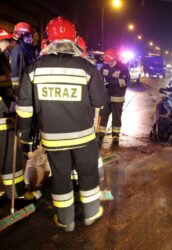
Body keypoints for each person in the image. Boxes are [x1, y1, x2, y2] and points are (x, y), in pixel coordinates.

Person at [16, 16, 106, 232]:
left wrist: (26, 137)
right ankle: (91, 214)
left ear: (49, 40)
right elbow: (100, 101)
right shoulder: (86, 67)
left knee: (61, 177)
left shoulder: (35, 68)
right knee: (88, 173)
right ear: (73, 39)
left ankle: (66, 220)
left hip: (53, 139)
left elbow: (25, 109)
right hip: (84, 137)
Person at [0, 25, 26, 200]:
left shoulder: (2, 58)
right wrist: (11, 104)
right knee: (10, 156)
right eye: (5, 41)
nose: (8, 44)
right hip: (2, 116)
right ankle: (16, 196)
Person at [97, 48, 129, 148]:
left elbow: (124, 82)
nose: (108, 64)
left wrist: (110, 82)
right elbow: (99, 77)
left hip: (118, 98)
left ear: (114, 59)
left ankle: (115, 136)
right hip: (107, 97)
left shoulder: (123, 68)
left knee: (116, 118)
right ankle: (100, 134)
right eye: (107, 62)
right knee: (103, 116)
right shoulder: (105, 66)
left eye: (110, 62)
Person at [10, 22, 36, 90]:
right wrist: (16, 88)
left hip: (29, 83)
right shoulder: (17, 50)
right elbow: (14, 69)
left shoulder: (29, 49)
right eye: (29, 35)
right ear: (22, 35)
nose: (31, 38)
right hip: (23, 85)